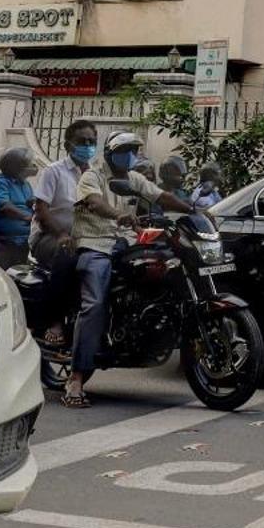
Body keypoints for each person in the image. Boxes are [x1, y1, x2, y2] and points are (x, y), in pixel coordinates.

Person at [63, 130, 197, 408]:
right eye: (125, 150)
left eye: (134, 150)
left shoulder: (133, 179)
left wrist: (193, 210)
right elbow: (94, 202)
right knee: (95, 302)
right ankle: (76, 378)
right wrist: (118, 215)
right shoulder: (92, 176)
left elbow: (161, 197)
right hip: (95, 244)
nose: (130, 155)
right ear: (111, 153)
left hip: (124, 243)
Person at [31, 120, 99, 345]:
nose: (88, 146)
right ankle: (54, 320)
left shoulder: (95, 176)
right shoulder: (54, 172)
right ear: (68, 144)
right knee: (68, 255)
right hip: (49, 237)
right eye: (82, 141)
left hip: (85, 237)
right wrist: (60, 235)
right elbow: (41, 209)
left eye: (91, 142)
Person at [0, 147, 40, 268]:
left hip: (24, 241)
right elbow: (4, 206)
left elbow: (28, 204)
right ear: (17, 166)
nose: (34, 165)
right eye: (30, 163)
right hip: (5, 242)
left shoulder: (26, 184)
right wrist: (27, 217)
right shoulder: (1, 182)